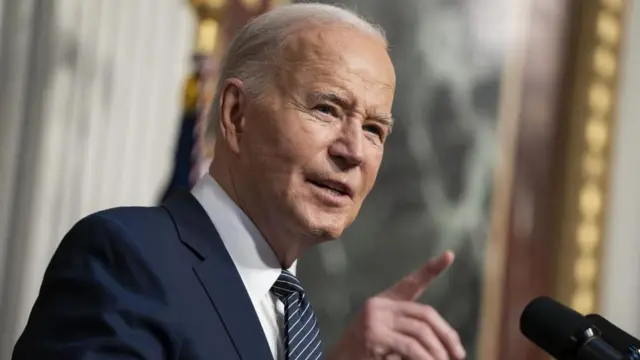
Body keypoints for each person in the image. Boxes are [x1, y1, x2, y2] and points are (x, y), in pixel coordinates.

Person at [12, 3, 467, 360]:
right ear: (236, 115)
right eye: (327, 109)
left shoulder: (294, 316)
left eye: (374, 130)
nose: (353, 151)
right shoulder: (125, 257)